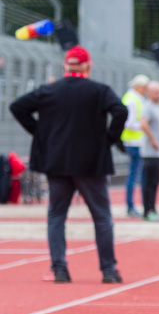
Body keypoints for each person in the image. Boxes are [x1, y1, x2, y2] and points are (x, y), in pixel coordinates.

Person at [9, 46, 128, 284]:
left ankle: (60, 269)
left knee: (56, 215)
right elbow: (120, 110)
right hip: (91, 163)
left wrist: (41, 134)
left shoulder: (49, 90)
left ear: (65, 65)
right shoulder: (99, 90)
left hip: (57, 162)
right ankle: (108, 270)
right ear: (87, 66)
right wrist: (109, 139)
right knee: (101, 216)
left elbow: (17, 106)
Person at [140, 81, 159, 221]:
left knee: (155, 182)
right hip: (150, 152)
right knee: (149, 182)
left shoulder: (158, 107)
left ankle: (153, 208)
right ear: (149, 93)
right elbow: (143, 124)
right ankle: (148, 211)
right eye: (156, 92)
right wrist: (153, 140)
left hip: (158, 152)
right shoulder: (148, 107)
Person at [121, 74, 149, 217]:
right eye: (145, 88)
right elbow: (128, 123)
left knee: (136, 175)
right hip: (133, 143)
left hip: (136, 142)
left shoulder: (135, 98)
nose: (146, 90)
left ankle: (134, 206)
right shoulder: (132, 100)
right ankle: (131, 206)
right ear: (138, 87)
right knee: (134, 176)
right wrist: (144, 126)